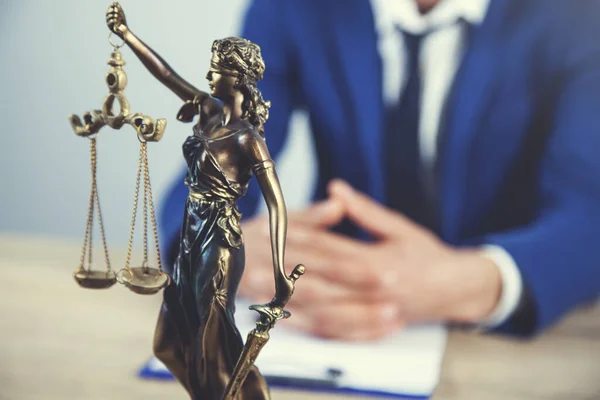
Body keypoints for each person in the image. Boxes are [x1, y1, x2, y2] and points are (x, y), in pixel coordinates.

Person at [158, 0, 600, 341]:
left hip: (510, 335)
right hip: (329, 315)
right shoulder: (294, 7)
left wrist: (480, 281)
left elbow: (589, 211)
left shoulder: (577, 16)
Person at [105, 3, 303, 399]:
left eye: (217, 69)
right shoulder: (208, 111)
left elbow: (277, 203)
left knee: (210, 351)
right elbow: (165, 74)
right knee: (167, 344)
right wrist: (126, 35)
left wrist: (280, 271)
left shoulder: (249, 139)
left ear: (237, 79)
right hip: (191, 233)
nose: (209, 75)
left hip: (221, 242)